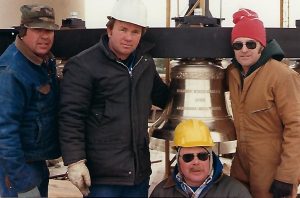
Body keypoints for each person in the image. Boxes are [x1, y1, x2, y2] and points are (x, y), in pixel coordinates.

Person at [59, 0, 170, 197]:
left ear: (141, 35)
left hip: (138, 173)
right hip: (103, 177)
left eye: (135, 32)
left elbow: (163, 96)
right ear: (110, 30)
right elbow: (71, 116)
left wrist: (194, 82)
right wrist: (75, 161)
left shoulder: (144, 64)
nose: (128, 37)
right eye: (123, 29)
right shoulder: (84, 65)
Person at [226, 8, 300, 198]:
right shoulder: (233, 75)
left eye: (251, 44)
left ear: (262, 46)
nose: (244, 49)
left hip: (273, 169)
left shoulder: (282, 76)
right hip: (242, 166)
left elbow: (297, 126)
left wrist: (287, 175)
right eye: (237, 45)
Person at [0, 4, 60, 198]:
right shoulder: (12, 71)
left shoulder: (43, 61)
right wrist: (23, 183)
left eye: (49, 31)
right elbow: (5, 132)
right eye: (38, 30)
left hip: (37, 162)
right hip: (18, 169)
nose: (45, 36)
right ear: (23, 31)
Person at [150, 119, 251, 197]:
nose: (196, 162)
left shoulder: (235, 193)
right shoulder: (161, 193)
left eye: (202, 156)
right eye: (188, 157)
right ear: (178, 160)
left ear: (211, 158)